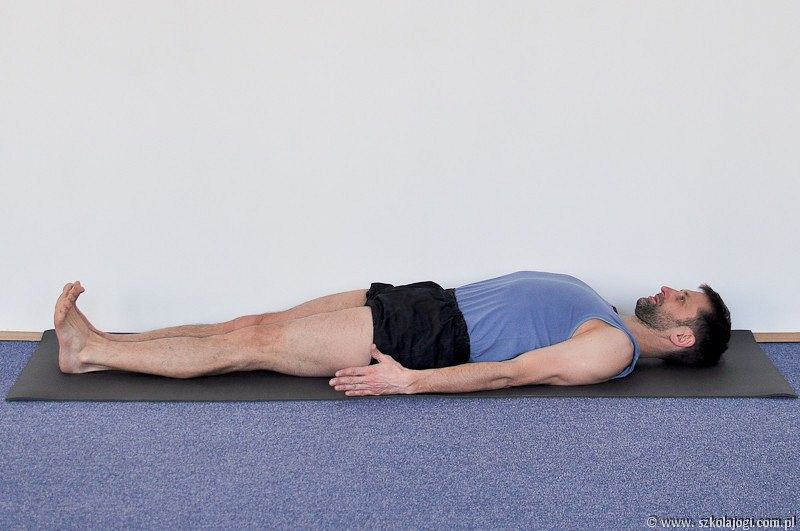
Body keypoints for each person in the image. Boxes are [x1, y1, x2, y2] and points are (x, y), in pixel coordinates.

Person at [54, 270, 731, 396]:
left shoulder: (612, 346)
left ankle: (90, 354)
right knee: (251, 325)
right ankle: (106, 342)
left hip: (427, 336)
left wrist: (411, 380)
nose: (667, 290)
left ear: (682, 338)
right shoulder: (608, 312)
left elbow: (513, 372)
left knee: (254, 345)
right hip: (426, 301)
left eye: (681, 302)